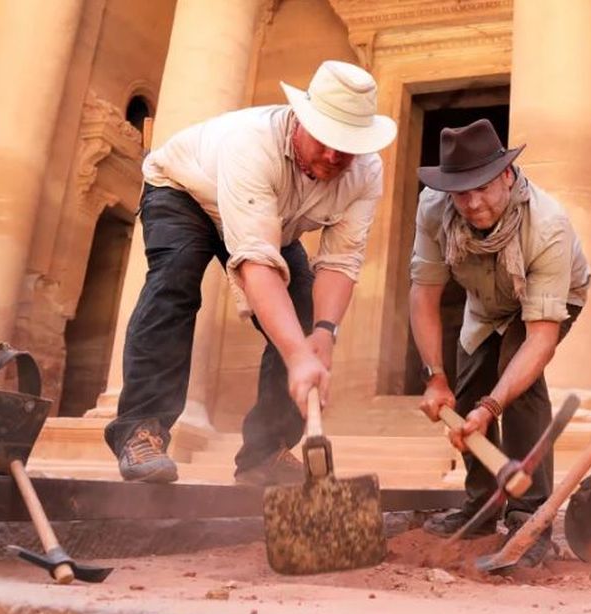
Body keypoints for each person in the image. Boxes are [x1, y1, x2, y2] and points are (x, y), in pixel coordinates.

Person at [104, 60, 397, 484]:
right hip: (186, 192)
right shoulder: (253, 142)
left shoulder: (366, 173)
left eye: (347, 145)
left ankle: (265, 454)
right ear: (300, 119)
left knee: (299, 315)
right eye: (326, 139)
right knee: (175, 284)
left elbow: (340, 261)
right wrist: (297, 357)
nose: (335, 156)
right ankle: (140, 430)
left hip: (270, 220)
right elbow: (256, 262)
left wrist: (322, 333)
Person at [409, 119, 591, 566]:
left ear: (507, 176)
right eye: (461, 192)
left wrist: (492, 408)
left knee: (519, 387)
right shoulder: (434, 209)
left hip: (548, 301)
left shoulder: (547, 224)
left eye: (482, 188)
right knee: (467, 389)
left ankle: (531, 518)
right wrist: (434, 378)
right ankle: (482, 505)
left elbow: (540, 338)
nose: (471, 204)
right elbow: (424, 293)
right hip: (484, 304)